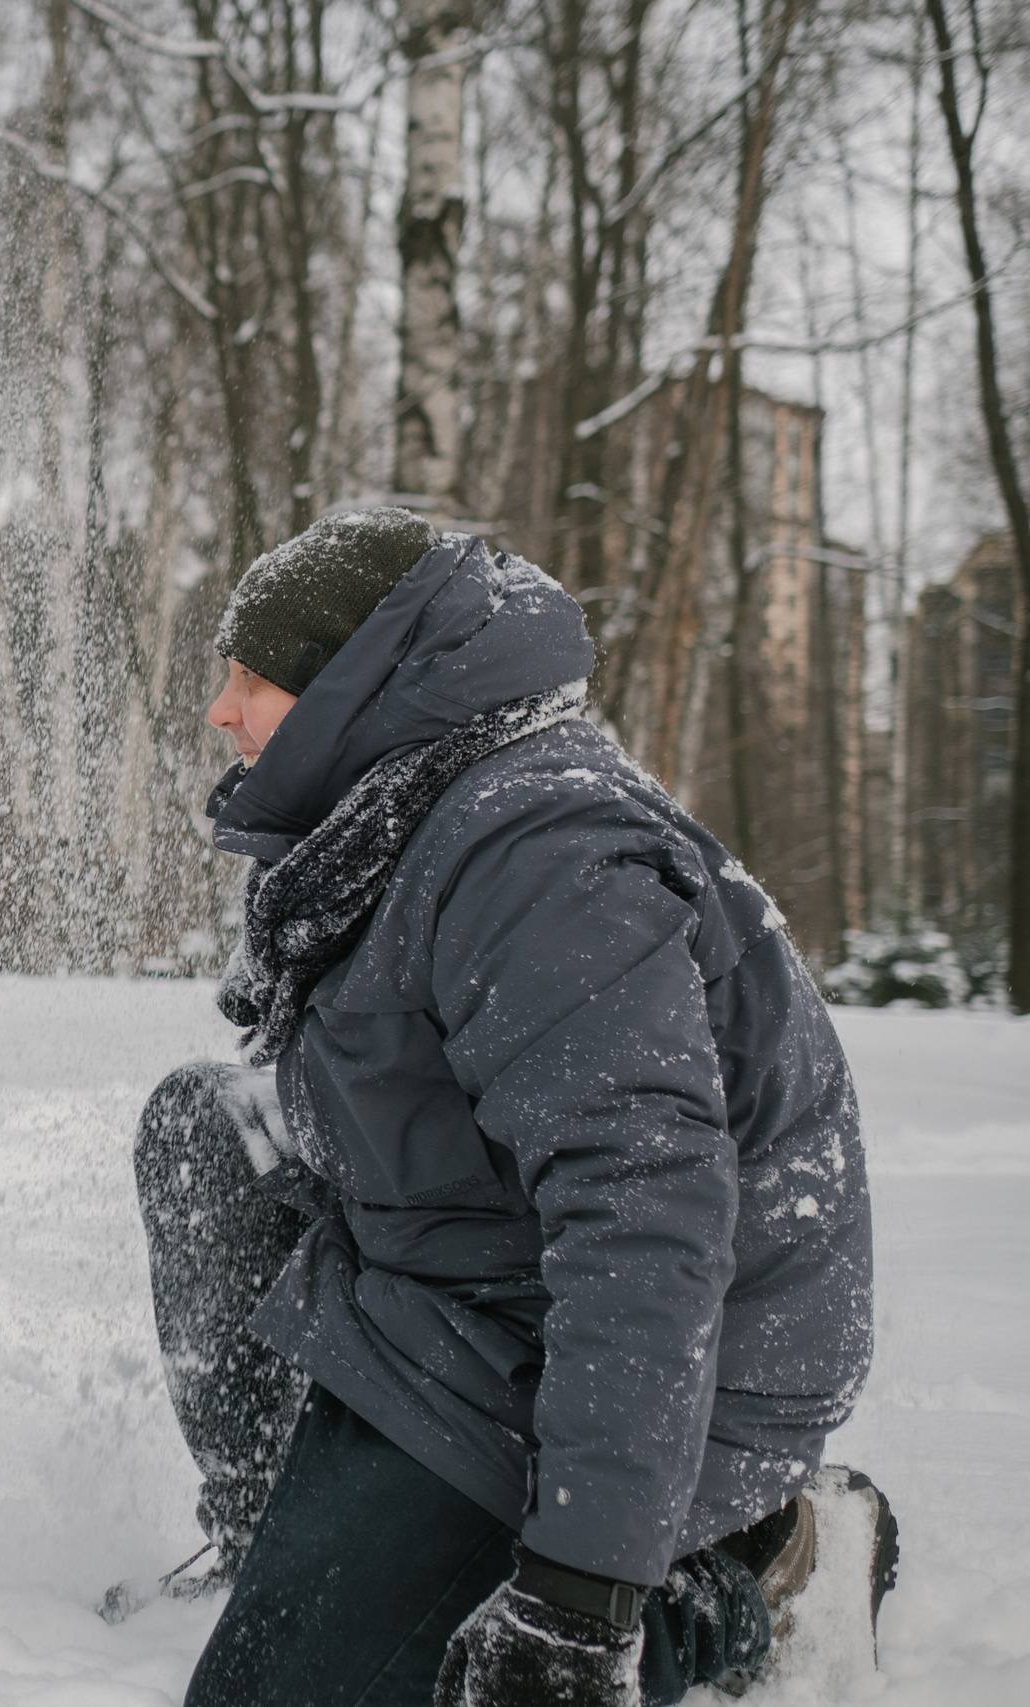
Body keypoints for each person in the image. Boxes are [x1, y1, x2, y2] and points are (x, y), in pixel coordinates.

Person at [108, 509, 894, 1707]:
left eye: (252, 679)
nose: (221, 709)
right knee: (210, 1130)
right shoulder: (406, 805)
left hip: (662, 1343)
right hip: (474, 1275)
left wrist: (579, 1604)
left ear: (351, 687)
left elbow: (644, 1218)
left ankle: (738, 1575)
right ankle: (279, 1539)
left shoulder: (538, 849)